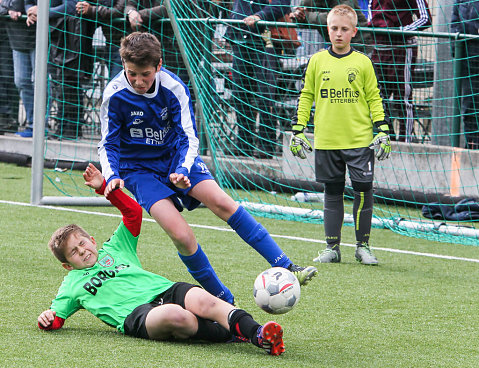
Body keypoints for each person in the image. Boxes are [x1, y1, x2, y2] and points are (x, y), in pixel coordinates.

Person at [98, 32, 317, 305]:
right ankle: (224, 300)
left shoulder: (174, 88)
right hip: (138, 170)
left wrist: (181, 168)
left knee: (222, 202)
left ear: (159, 66)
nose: (139, 81)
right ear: (123, 65)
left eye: (145, 74)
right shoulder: (114, 94)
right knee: (181, 235)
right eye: (132, 74)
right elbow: (108, 144)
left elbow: (187, 137)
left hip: (174, 158)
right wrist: (113, 175)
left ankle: (287, 265)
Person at [37, 163, 285, 356]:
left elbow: (133, 213)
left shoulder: (115, 247)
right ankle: (230, 333)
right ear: (67, 265)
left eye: (82, 243)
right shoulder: (71, 285)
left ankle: (258, 334)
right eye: (74, 253)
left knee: (204, 300)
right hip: (138, 314)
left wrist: (105, 188)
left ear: (92, 239)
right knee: (178, 316)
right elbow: (56, 318)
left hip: (165, 289)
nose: (82, 251)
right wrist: (48, 319)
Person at [289, 4, 391, 265]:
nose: (338, 33)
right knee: (332, 192)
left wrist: (383, 130)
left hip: (359, 141)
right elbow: (306, 97)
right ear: (327, 29)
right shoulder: (316, 61)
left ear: (354, 32)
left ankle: (363, 246)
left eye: (344, 29)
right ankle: (332, 248)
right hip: (326, 141)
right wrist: (298, 130)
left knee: (363, 192)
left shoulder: (363, 63)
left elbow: (374, 99)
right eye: (334, 28)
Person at [225, 0, 290, 157]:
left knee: (265, 96)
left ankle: (266, 146)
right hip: (241, 41)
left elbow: (282, 4)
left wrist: (260, 16)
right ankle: (243, 144)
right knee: (240, 94)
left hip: (265, 43)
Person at [26, 0, 95, 140]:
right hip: (54, 38)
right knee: (59, 85)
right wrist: (31, 11)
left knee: (69, 84)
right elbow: (29, 3)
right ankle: (62, 126)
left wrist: (43, 13)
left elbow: (70, 6)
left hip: (71, 38)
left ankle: (72, 129)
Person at [368, 0, 431, 142]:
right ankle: (386, 138)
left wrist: (401, 32)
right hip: (379, 49)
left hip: (402, 49)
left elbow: (425, 18)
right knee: (378, 98)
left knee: (402, 98)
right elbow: (370, 11)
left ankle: (406, 142)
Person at [1, 0, 35, 138]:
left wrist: (29, 10)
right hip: (16, 40)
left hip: (40, 37)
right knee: (21, 81)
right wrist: (8, 10)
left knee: (40, 83)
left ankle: (38, 125)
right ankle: (31, 124)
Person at [289, 0, 372, 54]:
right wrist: (297, 14)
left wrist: (308, 16)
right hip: (337, 47)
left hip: (361, 45)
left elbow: (340, 16)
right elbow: (301, 13)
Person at [450, 0, 479, 149]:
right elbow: (455, 21)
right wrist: (456, 48)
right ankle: (473, 147)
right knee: (470, 107)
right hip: (469, 57)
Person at [76, 0, 126, 79]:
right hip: (110, 45)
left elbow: (118, 11)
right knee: (114, 81)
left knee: (115, 82)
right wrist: (82, 5)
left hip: (124, 46)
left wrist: (91, 9)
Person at [0, 0, 19, 135]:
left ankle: (10, 119)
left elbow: (15, 7)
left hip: (9, 35)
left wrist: (5, 9)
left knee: (9, 77)